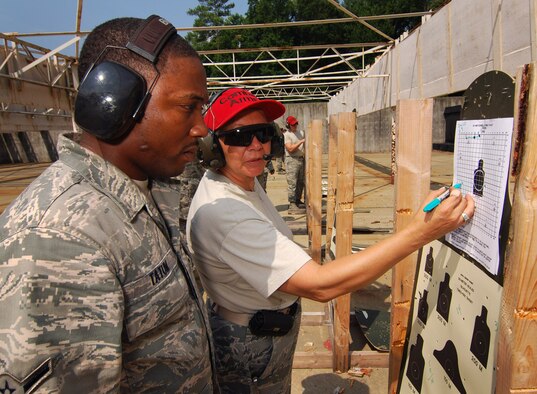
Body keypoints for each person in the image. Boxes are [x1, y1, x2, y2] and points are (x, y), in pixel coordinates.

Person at [187, 87, 475, 393]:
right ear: (212, 146)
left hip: (263, 328)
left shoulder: (241, 180)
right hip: (249, 342)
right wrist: (420, 232)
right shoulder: (227, 213)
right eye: (241, 136)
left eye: (263, 132)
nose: (257, 144)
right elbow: (321, 286)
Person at [0, 15, 215, 393]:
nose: (201, 128)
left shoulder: (148, 190)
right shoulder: (60, 239)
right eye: (188, 107)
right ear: (114, 102)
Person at [284, 115, 306, 213]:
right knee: (292, 182)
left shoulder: (300, 133)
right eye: (293, 125)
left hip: (301, 159)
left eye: (296, 124)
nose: (295, 126)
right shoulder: (287, 135)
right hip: (292, 159)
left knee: (300, 182)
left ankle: (297, 200)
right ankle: (292, 203)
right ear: (288, 125)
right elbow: (290, 149)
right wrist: (301, 142)